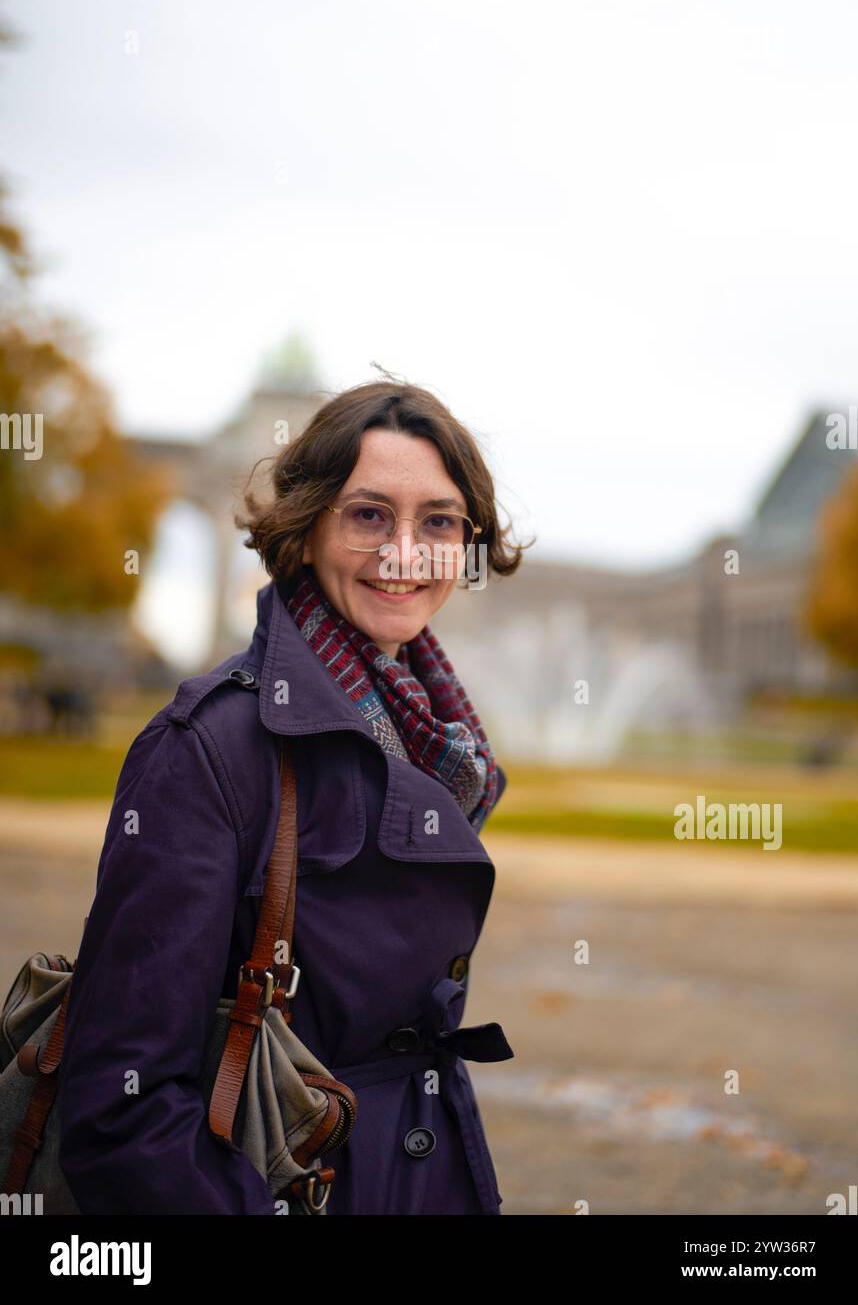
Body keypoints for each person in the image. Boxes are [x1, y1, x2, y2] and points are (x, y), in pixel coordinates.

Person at [57, 377, 527, 1214]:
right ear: (305, 529)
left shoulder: (446, 740)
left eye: (440, 522)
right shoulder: (206, 748)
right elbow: (121, 1110)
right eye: (369, 515)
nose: (407, 553)